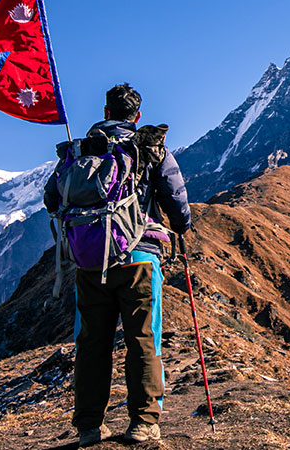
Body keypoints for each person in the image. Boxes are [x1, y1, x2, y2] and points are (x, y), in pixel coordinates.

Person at [44, 83, 191, 446]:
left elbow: (52, 199)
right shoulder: (148, 148)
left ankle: (89, 427)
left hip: (90, 261)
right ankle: (143, 422)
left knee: (92, 343)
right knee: (142, 338)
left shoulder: (82, 151)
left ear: (106, 112)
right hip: (138, 257)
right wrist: (181, 224)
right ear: (136, 116)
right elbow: (175, 197)